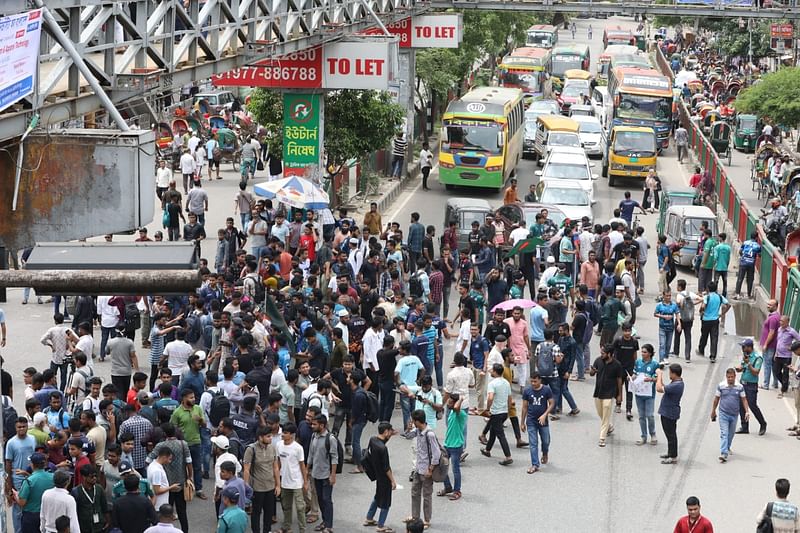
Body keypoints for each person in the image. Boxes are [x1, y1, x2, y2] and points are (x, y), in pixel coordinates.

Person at [407, 409, 440, 528]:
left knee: (426, 496)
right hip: (418, 468)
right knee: (415, 493)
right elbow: (407, 436)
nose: (413, 422)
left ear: (417, 421)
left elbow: (436, 454)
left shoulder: (429, 434)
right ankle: (415, 517)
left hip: (426, 471)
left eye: (413, 421)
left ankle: (426, 520)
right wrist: (408, 427)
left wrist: (430, 470)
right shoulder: (417, 430)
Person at [711, 367, 749, 463]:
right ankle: (724, 453)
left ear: (735, 376)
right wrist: (713, 411)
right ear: (726, 377)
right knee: (725, 433)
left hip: (734, 415)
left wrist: (747, 411)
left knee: (731, 434)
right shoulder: (721, 386)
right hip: (723, 413)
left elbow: (744, 399)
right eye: (728, 377)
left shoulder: (739, 387)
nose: (730, 379)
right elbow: (716, 399)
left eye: (732, 377)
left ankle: (727, 447)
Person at [363, 422, 396, 532]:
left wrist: (390, 435)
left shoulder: (373, 440)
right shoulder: (383, 449)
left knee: (377, 497)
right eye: (390, 431)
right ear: (386, 431)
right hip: (384, 478)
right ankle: (381, 526)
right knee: (386, 502)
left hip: (376, 474)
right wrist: (393, 481)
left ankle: (369, 517)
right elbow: (387, 468)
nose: (391, 433)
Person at [275, 422, 308, 533]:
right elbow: (278, 463)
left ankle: (302, 529)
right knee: (286, 506)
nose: (283, 435)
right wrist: (276, 480)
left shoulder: (298, 448)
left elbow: (302, 465)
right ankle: (286, 526)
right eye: (282, 432)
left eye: (285, 433)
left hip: (297, 482)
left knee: (300, 507)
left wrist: (305, 481)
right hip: (284, 481)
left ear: (292, 435)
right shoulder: (279, 445)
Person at [6, 417, 37, 532]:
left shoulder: (33, 439)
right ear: (15, 428)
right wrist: (9, 485)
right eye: (19, 427)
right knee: (18, 510)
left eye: (24, 426)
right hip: (18, 481)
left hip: (32, 478)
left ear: (27, 427)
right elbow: (8, 464)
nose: (22, 429)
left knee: (30, 507)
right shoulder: (11, 443)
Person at [307, 414, 337, 533]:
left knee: (326, 499)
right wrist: (306, 469)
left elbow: (335, 458)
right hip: (315, 474)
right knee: (320, 499)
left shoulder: (330, 439)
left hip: (326, 475)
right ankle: (325, 521)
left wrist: (333, 475)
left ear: (322, 425)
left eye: (314, 424)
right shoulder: (314, 435)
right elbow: (311, 454)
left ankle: (329, 526)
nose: (312, 426)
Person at [589, 345, 623, 448]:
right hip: (598, 392)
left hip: (609, 393)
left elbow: (619, 380)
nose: (601, 355)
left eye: (603, 353)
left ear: (609, 354)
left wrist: (619, 395)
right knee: (601, 414)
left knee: (606, 413)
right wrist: (593, 371)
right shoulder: (598, 361)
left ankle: (602, 438)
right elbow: (591, 373)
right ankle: (609, 426)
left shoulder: (617, 365)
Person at [520, 373, 554, 474]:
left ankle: (545, 453)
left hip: (543, 421)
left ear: (540, 380)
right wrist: (522, 422)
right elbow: (524, 407)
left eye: (535, 381)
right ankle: (535, 464)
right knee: (533, 444)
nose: (533, 383)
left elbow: (552, 403)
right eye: (532, 381)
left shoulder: (546, 390)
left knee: (546, 441)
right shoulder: (527, 391)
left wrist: (545, 415)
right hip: (531, 421)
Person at [480, 364, 513, 465]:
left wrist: (488, 409)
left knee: (500, 435)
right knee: (493, 431)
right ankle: (487, 450)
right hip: (504, 412)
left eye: (492, 370)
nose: (491, 372)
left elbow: (490, 398)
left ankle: (508, 456)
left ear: (495, 372)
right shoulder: (506, 383)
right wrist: (508, 410)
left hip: (496, 412)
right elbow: (509, 398)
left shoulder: (492, 383)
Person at [15, 451, 54, 533]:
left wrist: (15, 495)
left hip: (31, 517)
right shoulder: (53, 477)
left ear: (32, 464)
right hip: (48, 515)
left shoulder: (29, 481)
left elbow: (22, 502)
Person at [736, 338, 768, 436]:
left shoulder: (757, 358)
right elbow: (742, 367)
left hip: (751, 386)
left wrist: (748, 363)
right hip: (743, 384)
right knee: (741, 406)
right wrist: (738, 369)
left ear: (749, 347)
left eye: (744, 347)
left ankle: (763, 423)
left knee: (752, 406)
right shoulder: (745, 356)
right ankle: (744, 426)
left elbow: (755, 372)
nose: (742, 348)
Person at [656, 363, 684, 465]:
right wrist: (659, 380)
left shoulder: (677, 385)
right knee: (669, 434)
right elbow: (664, 387)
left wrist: (659, 375)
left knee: (671, 435)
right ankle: (670, 452)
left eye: (670, 373)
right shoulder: (675, 383)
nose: (669, 374)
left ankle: (673, 456)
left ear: (674, 373)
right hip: (667, 411)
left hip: (669, 413)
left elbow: (659, 389)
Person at [439, 393, 465, 500]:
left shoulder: (460, 413)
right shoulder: (451, 413)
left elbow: (456, 407)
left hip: (456, 446)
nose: (448, 404)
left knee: (455, 469)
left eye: (450, 402)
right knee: (442, 466)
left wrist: (461, 399)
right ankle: (448, 487)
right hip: (447, 445)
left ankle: (457, 491)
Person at [71, 464, 109, 533]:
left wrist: (107, 521)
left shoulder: (99, 489)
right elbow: (74, 511)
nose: (94, 478)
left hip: (99, 526)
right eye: (91, 476)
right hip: (84, 526)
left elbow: (104, 507)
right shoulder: (76, 492)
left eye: (95, 476)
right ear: (84, 477)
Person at [697, 281, 729, 363]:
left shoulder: (707, 297)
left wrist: (701, 310)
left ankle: (701, 350)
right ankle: (713, 356)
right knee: (714, 338)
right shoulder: (720, 297)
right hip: (715, 320)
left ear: (708, 288)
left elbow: (703, 307)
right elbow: (728, 305)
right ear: (716, 288)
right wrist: (722, 314)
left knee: (704, 336)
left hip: (706, 320)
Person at [734, 231, 761, 300]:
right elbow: (759, 255)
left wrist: (743, 257)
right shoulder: (757, 246)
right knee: (750, 279)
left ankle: (737, 293)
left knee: (740, 278)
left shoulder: (745, 242)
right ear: (756, 238)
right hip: (751, 263)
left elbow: (740, 251)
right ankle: (749, 294)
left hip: (743, 262)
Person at [654, 290, 679, 362]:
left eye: (670, 296)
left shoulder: (673, 305)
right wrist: (663, 316)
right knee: (662, 344)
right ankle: (661, 360)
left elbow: (677, 314)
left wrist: (679, 324)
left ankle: (665, 357)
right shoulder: (659, 305)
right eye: (667, 296)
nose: (668, 297)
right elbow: (655, 314)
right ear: (663, 296)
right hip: (662, 327)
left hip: (670, 328)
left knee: (668, 345)